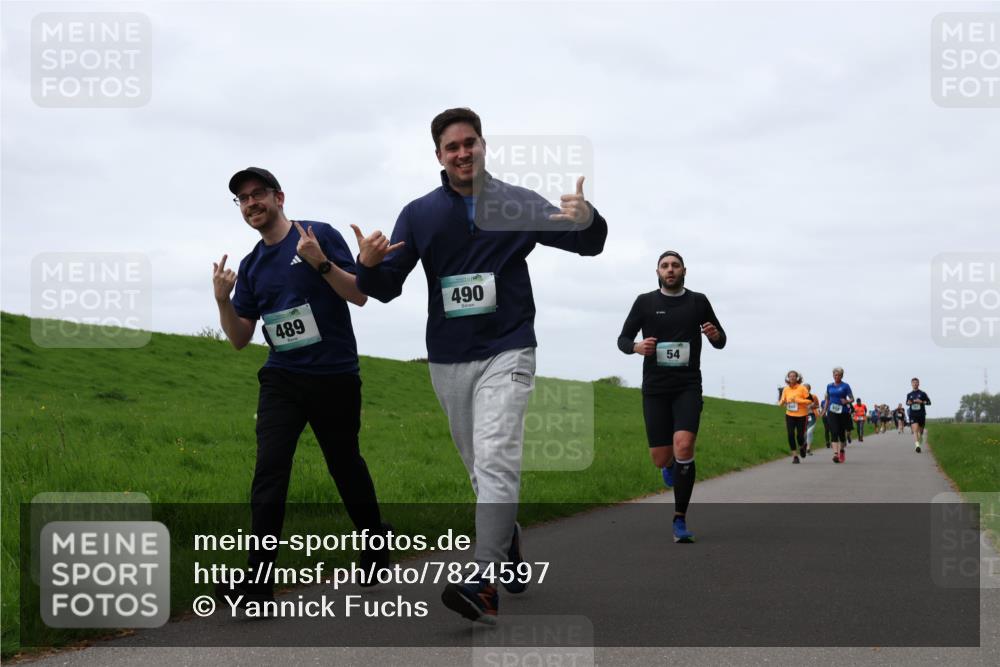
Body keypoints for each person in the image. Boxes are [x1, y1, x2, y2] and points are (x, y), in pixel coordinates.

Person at [351, 108, 608, 624]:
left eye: (471, 143)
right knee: (478, 470)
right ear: (439, 157)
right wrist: (368, 264)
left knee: (496, 461)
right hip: (447, 359)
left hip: (508, 347)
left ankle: (480, 580)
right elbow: (382, 289)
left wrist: (588, 216)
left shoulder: (516, 202)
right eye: (453, 147)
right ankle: (507, 539)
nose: (463, 152)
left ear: (484, 145)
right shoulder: (420, 213)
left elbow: (588, 244)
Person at [212, 167, 389, 607]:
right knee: (269, 472)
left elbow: (359, 295)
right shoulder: (252, 265)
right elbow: (239, 338)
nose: (251, 204)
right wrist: (221, 299)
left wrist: (321, 263)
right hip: (281, 378)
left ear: (279, 197)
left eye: (258, 195)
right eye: (243, 199)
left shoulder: (320, 234)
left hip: (334, 374)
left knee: (344, 464)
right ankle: (258, 583)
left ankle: (375, 543)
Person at [618, 250, 726, 541]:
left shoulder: (698, 301)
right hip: (655, 387)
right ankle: (668, 466)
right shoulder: (645, 302)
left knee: (684, 445)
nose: (670, 270)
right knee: (661, 457)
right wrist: (636, 348)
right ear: (657, 272)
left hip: (688, 385)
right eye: (665, 266)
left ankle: (679, 519)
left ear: (684, 271)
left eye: (675, 265)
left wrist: (715, 335)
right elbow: (623, 339)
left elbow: (721, 340)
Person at [822, 367, 854, 463]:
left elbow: (852, 398)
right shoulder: (829, 386)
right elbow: (827, 399)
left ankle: (842, 451)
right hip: (832, 411)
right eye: (835, 375)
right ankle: (835, 454)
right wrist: (824, 410)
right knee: (834, 431)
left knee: (841, 433)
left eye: (839, 375)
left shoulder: (845, 386)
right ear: (833, 375)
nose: (837, 376)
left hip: (843, 412)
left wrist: (847, 401)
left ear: (842, 376)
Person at [779, 371, 811, 463]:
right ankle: (795, 456)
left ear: (797, 378)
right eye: (790, 376)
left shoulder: (802, 388)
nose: (792, 378)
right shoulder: (785, 389)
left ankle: (802, 446)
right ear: (788, 378)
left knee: (800, 436)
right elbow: (782, 400)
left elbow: (809, 401)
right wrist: (782, 402)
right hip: (790, 415)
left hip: (802, 415)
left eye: (794, 376)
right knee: (790, 434)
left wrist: (797, 400)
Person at [906, 378, 932, 453]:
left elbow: (929, 403)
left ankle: (920, 439)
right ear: (911, 384)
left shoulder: (923, 393)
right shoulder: (909, 394)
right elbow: (907, 403)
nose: (915, 384)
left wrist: (921, 402)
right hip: (913, 414)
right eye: (913, 383)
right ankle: (917, 445)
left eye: (916, 383)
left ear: (918, 384)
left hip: (921, 414)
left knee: (920, 432)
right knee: (915, 430)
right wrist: (909, 403)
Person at [803, 383, 820, 456]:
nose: (805, 390)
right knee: (804, 433)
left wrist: (812, 406)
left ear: (809, 389)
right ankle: (804, 446)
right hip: (802, 416)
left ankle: (808, 448)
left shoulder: (813, 397)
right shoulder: (800, 397)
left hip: (812, 416)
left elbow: (817, 405)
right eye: (804, 388)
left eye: (807, 388)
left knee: (809, 431)